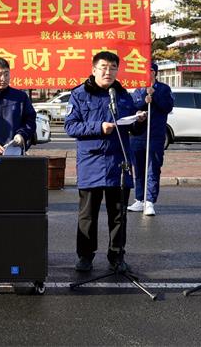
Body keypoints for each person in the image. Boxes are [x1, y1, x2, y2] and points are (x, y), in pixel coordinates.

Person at [64, 51, 146, 273]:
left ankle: (117, 255)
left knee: (118, 215)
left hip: (119, 162)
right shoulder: (79, 94)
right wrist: (99, 127)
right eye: (103, 67)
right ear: (93, 70)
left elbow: (133, 129)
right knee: (88, 215)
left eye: (113, 68)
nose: (108, 72)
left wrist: (139, 120)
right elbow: (71, 126)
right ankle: (85, 256)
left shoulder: (122, 95)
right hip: (91, 162)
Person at [128, 63, 174, 216]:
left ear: (155, 72)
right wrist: (144, 99)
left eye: (151, 70)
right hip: (138, 135)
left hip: (155, 135)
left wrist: (154, 97)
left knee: (153, 168)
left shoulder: (164, 89)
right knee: (139, 169)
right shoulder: (138, 89)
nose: (148, 73)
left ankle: (150, 201)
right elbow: (133, 106)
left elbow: (168, 106)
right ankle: (139, 199)